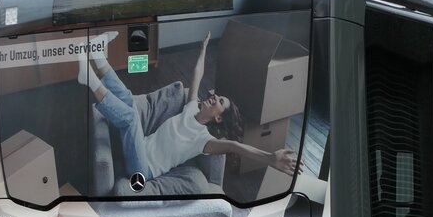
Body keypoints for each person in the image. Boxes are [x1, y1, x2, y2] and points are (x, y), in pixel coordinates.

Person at [79, 30, 298, 183]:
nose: (215, 97)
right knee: (128, 99)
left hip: (143, 170)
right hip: (138, 148)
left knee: (131, 118)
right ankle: (97, 55)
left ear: (218, 118)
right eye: (218, 96)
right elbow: (197, 75)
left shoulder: (204, 141)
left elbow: (235, 147)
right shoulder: (191, 108)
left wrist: (270, 158)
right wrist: (203, 49)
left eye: (220, 102)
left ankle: (89, 79)